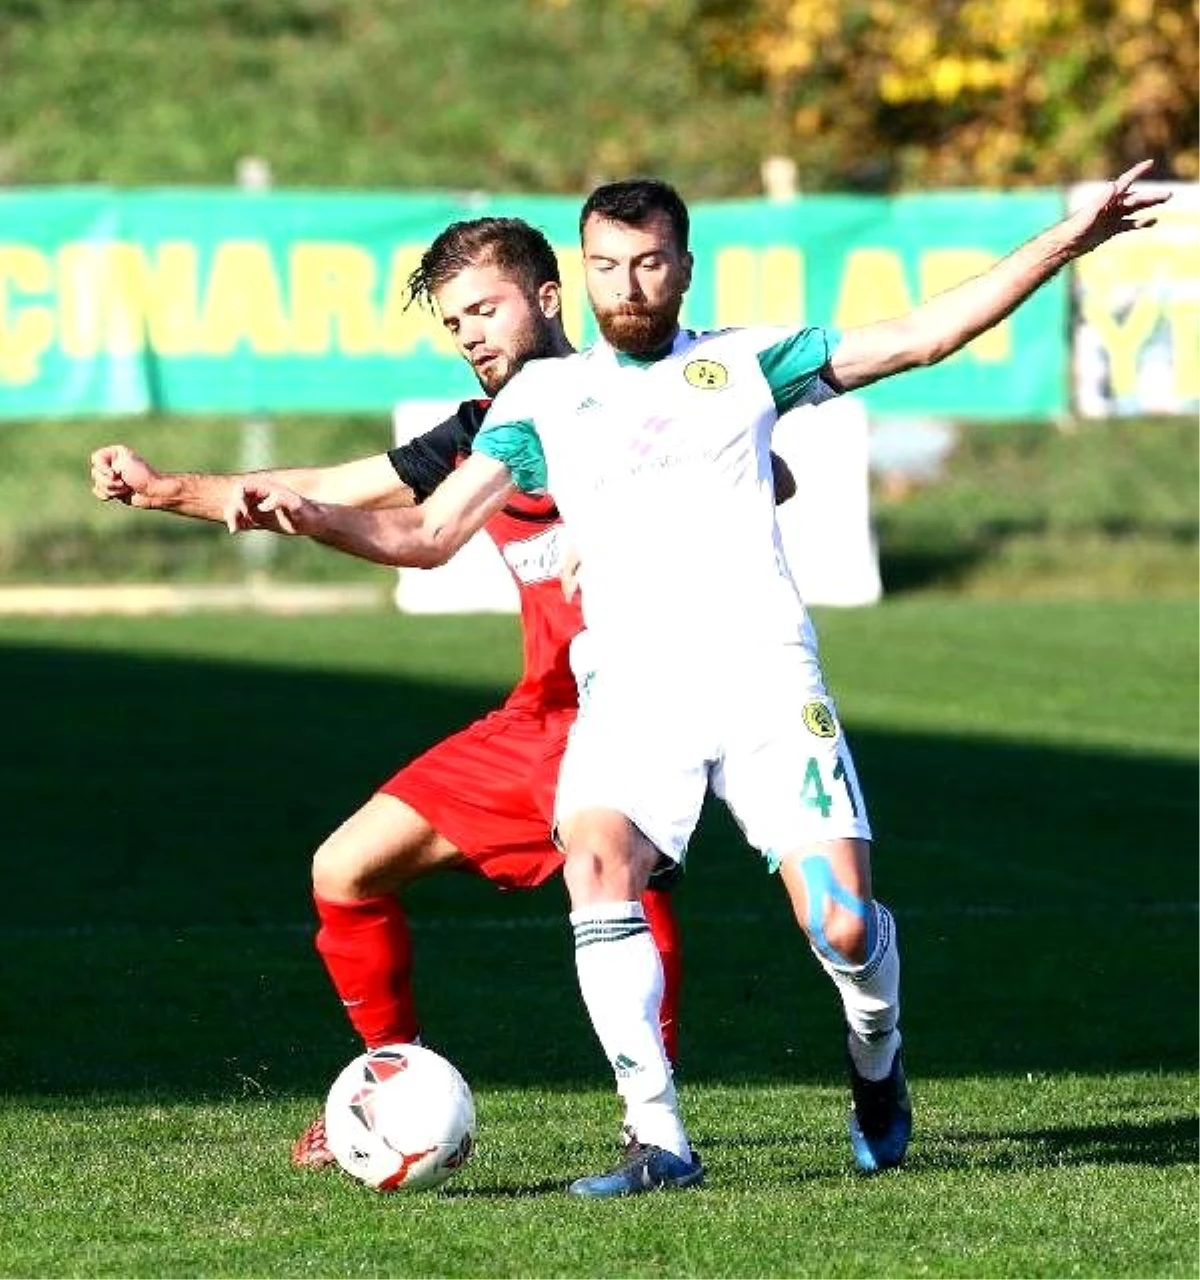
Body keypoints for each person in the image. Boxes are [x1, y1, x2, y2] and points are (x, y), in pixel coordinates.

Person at [224, 162, 1169, 1196]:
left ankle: (877, 1054)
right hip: (631, 692)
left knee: (843, 925)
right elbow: (428, 529)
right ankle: (658, 1140)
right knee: (597, 863)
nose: (625, 284)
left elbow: (922, 335)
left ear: (682, 268)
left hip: (764, 677)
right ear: (579, 277)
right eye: (604, 266)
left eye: (646, 263)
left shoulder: (752, 359)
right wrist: (314, 514)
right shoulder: (542, 395)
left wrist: (1065, 241)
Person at [90, 217, 724, 1169]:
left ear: (548, 298)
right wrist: (166, 488)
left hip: (644, 700)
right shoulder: (482, 434)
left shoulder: (636, 398)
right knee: (343, 871)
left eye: (485, 310)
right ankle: (399, 1092)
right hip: (539, 714)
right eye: (454, 321)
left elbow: (765, 477)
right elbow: (338, 486)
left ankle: (664, 1116)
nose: (469, 334)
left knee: (644, 883)